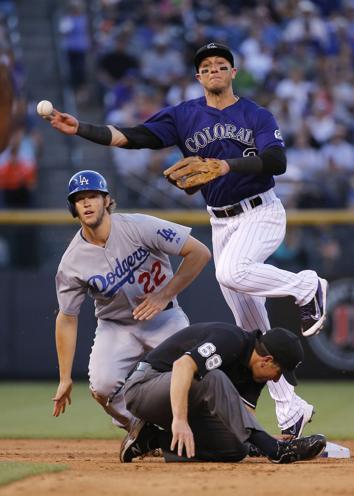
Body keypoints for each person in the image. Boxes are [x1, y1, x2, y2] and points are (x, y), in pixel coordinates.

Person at [47, 42, 328, 437]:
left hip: (261, 210)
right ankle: (289, 408)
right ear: (198, 77)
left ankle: (307, 285)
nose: (213, 69)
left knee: (231, 272)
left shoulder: (255, 115)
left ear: (233, 72)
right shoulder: (185, 116)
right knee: (253, 330)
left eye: (221, 65)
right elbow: (133, 136)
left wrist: (226, 164)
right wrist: (80, 129)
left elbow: (276, 161)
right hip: (221, 220)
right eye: (206, 66)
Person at [52, 169, 211, 430]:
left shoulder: (140, 226)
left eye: (93, 196)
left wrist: (164, 294)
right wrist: (64, 377)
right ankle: (141, 430)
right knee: (102, 387)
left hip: (164, 317)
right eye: (80, 199)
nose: (87, 203)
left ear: (106, 200)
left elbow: (199, 253)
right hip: (116, 326)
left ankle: (212, 427)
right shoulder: (71, 262)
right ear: (74, 208)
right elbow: (67, 317)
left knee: (197, 374)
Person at [120, 322, 327, 463]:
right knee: (213, 377)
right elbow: (182, 366)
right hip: (144, 387)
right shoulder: (231, 340)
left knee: (236, 448)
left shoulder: (256, 374)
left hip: (183, 399)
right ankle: (276, 452)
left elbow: (242, 419)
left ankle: (150, 439)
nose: (276, 378)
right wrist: (180, 420)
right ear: (267, 360)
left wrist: (259, 441)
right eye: (279, 372)